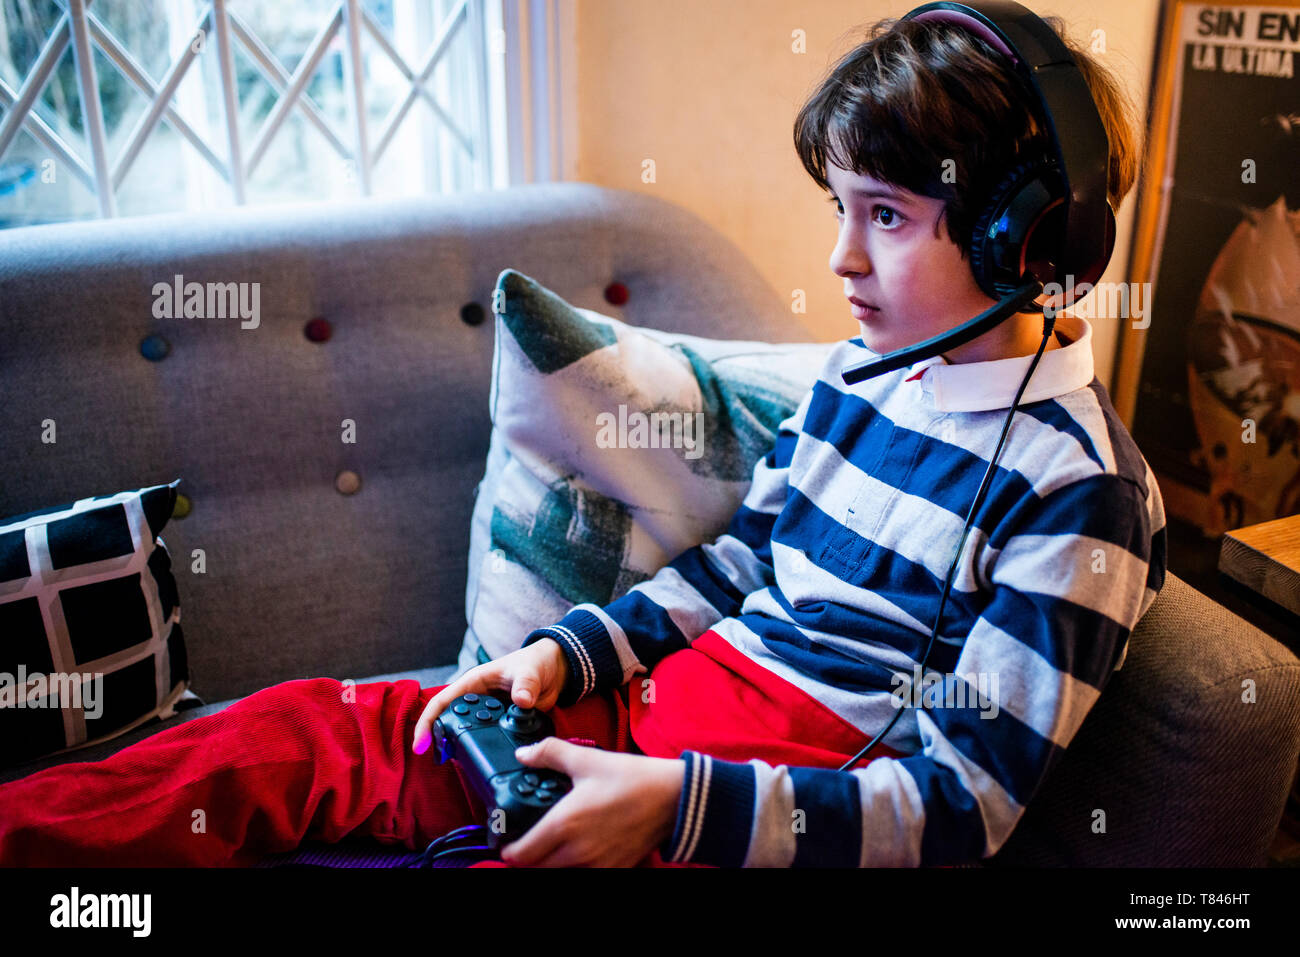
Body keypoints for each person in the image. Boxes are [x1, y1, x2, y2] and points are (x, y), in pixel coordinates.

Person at [0, 12, 1166, 869]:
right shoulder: (863, 378)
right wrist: (570, 655)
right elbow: (739, 566)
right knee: (296, 736)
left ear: (1031, 238)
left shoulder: (1079, 493)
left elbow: (960, 811)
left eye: (889, 218)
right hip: (617, 731)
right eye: (840, 211)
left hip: (735, 821)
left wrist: (668, 806)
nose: (841, 260)